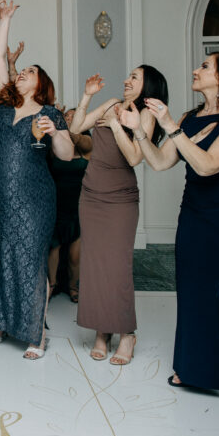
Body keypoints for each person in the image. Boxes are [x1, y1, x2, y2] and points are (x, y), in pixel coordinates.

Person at [120, 52, 219, 412]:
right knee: (195, 290)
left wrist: (172, 128)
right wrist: (139, 128)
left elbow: (209, 166)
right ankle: (195, 368)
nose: (195, 70)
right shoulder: (189, 117)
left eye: (204, 67)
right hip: (196, 211)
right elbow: (159, 162)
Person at [0, 0, 73, 359]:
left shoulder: (50, 112)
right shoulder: (1, 106)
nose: (23, 73)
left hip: (35, 198)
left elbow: (66, 155)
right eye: (22, 70)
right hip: (0, 195)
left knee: (30, 259)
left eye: (30, 71)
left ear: (41, 83)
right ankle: (2, 323)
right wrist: (4, 20)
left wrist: (56, 132)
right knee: (2, 256)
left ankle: (36, 334)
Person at [70, 65, 169, 365]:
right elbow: (76, 128)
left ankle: (126, 332)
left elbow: (135, 157)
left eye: (134, 77)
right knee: (95, 265)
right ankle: (103, 331)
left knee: (118, 267)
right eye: (128, 76)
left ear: (148, 84)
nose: (127, 80)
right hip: (90, 195)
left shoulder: (146, 114)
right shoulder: (112, 102)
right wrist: (87, 98)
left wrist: (115, 125)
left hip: (119, 200)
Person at [47, 108, 91, 304]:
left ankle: (74, 287)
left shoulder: (86, 143)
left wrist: (63, 125)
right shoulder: (54, 142)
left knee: (74, 256)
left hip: (79, 207)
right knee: (53, 250)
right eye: (67, 115)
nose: (70, 117)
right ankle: (52, 286)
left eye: (74, 115)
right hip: (55, 205)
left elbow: (78, 139)